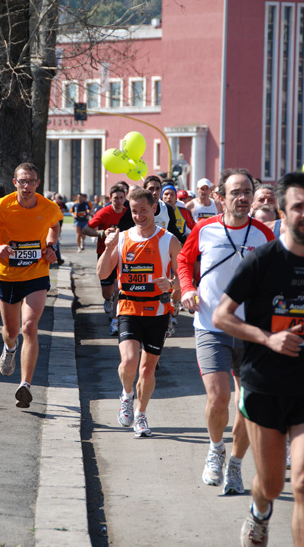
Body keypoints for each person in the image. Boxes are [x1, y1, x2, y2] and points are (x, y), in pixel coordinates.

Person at [212, 171, 304, 547]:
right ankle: (259, 511)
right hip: (264, 384)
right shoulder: (262, 260)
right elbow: (221, 316)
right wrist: (267, 338)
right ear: (283, 212)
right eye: (298, 206)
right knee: (272, 484)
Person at [178, 168, 275, 494]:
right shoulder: (204, 229)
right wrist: (187, 288)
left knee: (246, 404)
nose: (243, 197)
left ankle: (235, 464)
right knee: (219, 398)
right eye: (235, 192)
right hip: (210, 325)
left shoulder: (263, 234)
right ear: (220, 197)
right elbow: (183, 259)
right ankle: (216, 449)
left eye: (247, 191)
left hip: (251, 330)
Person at [0, 163, 62, 408]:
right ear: (14, 182)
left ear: (38, 182)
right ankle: (9, 349)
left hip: (36, 274)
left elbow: (54, 225)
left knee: (30, 326)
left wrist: (50, 247)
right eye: (22, 181)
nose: (27, 186)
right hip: (6, 276)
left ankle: (25, 385)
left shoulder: (48, 207)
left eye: (31, 181)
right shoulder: (0, 207)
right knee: (12, 331)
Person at [97, 188, 182, 437]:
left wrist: (173, 284)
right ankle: (126, 394)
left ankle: (141, 415)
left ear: (154, 209)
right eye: (134, 211)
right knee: (129, 361)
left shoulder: (169, 240)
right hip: (128, 306)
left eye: (143, 210)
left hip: (158, 310)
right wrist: (108, 247)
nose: (138, 215)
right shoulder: (122, 238)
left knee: (147, 369)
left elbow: (183, 278)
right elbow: (103, 274)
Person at [83, 184, 127, 336]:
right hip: (104, 254)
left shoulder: (128, 213)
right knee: (107, 292)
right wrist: (101, 233)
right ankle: (108, 300)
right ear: (110, 199)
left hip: (122, 255)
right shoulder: (104, 213)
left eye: (121, 198)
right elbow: (86, 229)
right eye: (116, 198)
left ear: (125, 198)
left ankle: (116, 320)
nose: (119, 201)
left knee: (118, 288)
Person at [118, 175, 183, 244]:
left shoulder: (167, 208)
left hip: (161, 249)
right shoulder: (135, 208)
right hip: (140, 247)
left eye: (157, 189)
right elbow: (123, 230)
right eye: (151, 189)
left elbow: (173, 231)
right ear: (145, 190)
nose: (155, 192)